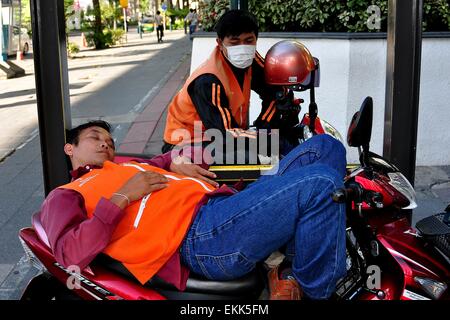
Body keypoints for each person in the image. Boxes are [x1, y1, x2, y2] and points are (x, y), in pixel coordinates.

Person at [36, 120, 347, 300]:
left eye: (109, 139)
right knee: (322, 182)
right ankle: (315, 292)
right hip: (200, 239)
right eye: (94, 138)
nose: (105, 143)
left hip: (222, 208)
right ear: (70, 149)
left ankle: (288, 268)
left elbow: (173, 157)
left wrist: (179, 160)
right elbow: (69, 254)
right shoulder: (65, 194)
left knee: (325, 147)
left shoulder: (128, 165)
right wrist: (122, 197)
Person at [163, 10, 293, 154]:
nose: (243, 47)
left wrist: (265, 125)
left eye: (249, 41)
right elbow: (224, 135)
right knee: (270, 148)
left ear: (256, 39)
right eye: (234, 42)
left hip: (222, 135)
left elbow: (276, 91)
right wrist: (265, 139)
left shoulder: (252, 60)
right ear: (219, 43)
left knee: (280, 143)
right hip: (186, 145)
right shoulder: (208, 80)